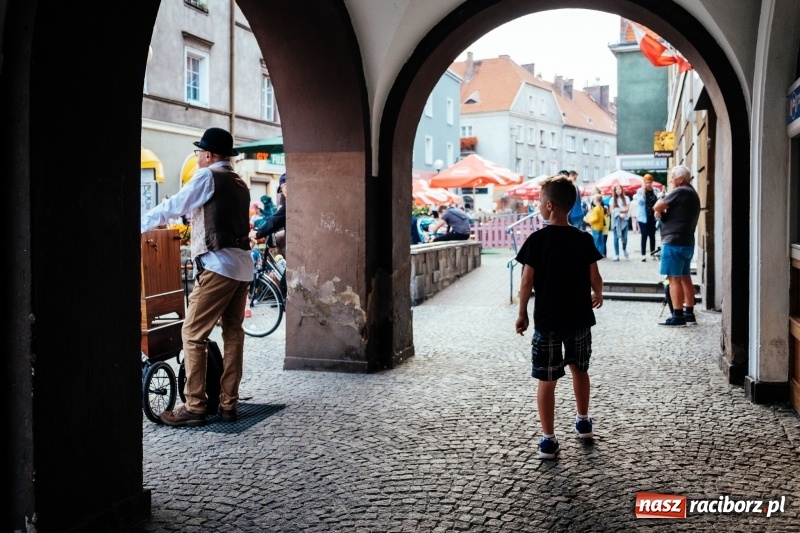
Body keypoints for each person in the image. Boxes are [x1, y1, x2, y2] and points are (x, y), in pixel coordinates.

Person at [141, 127, 252, 426]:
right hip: (242, 267)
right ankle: (229, 405)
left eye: (199, 152)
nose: (198, 157)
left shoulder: (207, 176)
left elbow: (174, 206)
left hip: (220, 266)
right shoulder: (240, 182)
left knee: (192, 333)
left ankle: (195, 406)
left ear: (208, 155)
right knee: (233, 334)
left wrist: (139, 224)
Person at [515, 175, 604, 460]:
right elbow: (595, 276)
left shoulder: (537, 240)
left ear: (549, 206)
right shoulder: (583, 238)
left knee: (547, 378)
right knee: (580, 368)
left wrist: (522, 313)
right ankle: (583, 420)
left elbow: (526, 282)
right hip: (579, 317)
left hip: (548, 320)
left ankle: (548, 439)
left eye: (540, 202)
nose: (538, 206)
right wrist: (597, 294)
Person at [653, 165, 701, 327]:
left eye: (673, 177)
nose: (672, 180)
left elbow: (657, 206)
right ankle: (689, 313)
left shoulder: (680, 191)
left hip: (673, 242)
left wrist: (661, 202)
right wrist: (662, 214)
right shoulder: (692, 193)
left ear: (680, 179)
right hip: (686, 241)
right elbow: (674, 214)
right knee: (685, 277)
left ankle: (678, 316)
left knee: (674, 279)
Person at [250, 174, 287, 297]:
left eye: (281, 189)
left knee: (285, 285)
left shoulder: (291, 203)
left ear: (285, 186)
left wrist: (258, 233)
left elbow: (275, 220)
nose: (282, 193)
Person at [637, 174, 659, 261]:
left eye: (649, 182)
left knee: (652, 235)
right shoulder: (639, 191)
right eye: (646, 182)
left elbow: (659, 201)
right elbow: (640, 202)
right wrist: (643, 193)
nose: (648, 184)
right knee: (644, 235)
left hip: (652, 216)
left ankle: (652, 253)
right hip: (643, 217)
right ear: (643, 183)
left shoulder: (656, 190)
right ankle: (643, 254)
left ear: (652, 182)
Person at [609, 184, 630, 261]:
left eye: (619, 189)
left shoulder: (626, 198)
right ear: (614, 191)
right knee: (616, 238)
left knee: (624, 238)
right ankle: (616, 254)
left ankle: (624, 249)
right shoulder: (612, 199)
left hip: (624, 220)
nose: (618, 190)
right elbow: (611, 210)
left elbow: (627, 209)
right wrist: (619, 213)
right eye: (616, 189)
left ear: (622, 189)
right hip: (615, 221)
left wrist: (617, 210)